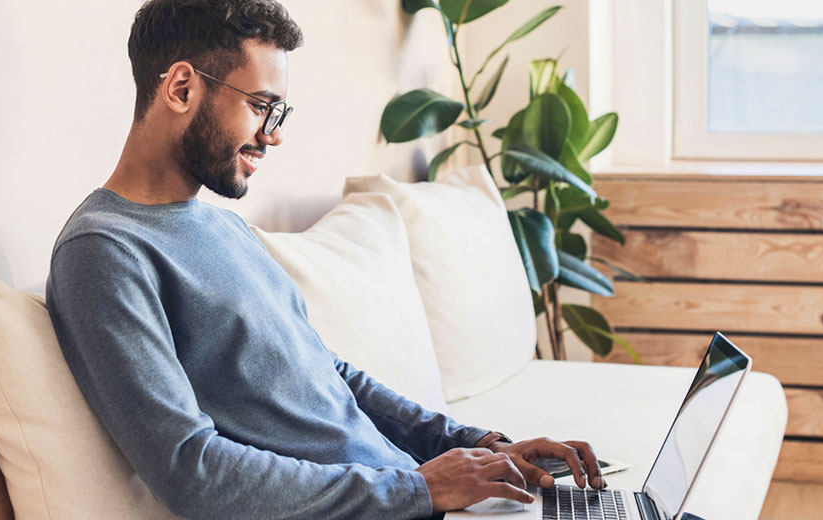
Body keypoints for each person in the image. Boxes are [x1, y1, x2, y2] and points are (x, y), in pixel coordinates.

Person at [45, 1, 606, 519]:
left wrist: (474, 444)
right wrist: (421, 489)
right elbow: (192, 470)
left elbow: (328, 376)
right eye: (260, 106)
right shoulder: (103, 252)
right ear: (182, 88)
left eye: (278, 111)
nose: (273, 135)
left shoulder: (224, 227)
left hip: (415, 496)